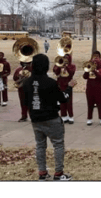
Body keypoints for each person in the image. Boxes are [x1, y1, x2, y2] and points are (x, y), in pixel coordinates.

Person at [23, 53, 76, 181]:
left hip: (35, 119)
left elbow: (25, 102)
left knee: (40, 146)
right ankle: (58, 173)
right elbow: (63, 99)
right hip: (51, 118)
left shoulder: (27, 82)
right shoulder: (50, 83)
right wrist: (69, 88)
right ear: (46, 66)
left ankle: (42, 172)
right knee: (58, 145)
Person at [83, 51, 101, 126]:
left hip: (99, 89)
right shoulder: (89, 67)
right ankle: (89, 118)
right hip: (90, 89)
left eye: (97, 56)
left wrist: (95, 71)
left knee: (100, 104)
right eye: (94, 56)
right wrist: (88, 70)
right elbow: (84, 77)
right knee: (90, 104)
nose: (95, 58)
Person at [53, 54, 76, 124]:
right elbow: (55, 71)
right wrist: (60, 66)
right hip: (60, 85)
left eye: (67, 58)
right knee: (62, 102)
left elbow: (72, 73)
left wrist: (67, 67)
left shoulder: (72, 66)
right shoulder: (59, 64)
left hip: (68, 85)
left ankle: (71, 116)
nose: (65, 59)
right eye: (64, 58)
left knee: (69, 102)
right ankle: (64, 116)